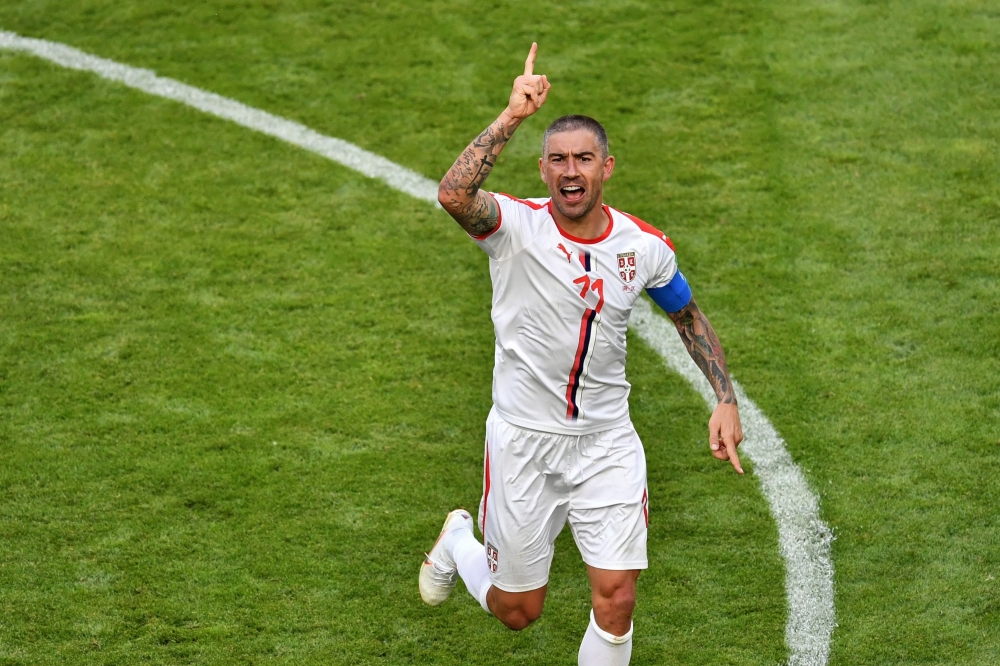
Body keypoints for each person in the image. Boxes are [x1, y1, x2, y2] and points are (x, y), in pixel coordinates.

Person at [419, 43, 744, 665]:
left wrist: (724, 398)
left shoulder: (643, 247)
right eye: (559, 160)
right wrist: (512, 117)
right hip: (523, 442)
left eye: (585, 160)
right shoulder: (514, 228)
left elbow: (686, 314)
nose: (572, 171)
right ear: (542, 171)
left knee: (617, 597)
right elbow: (455, 194)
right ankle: (461, 537)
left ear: (607, 167)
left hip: (606, 443)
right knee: (519, 611)